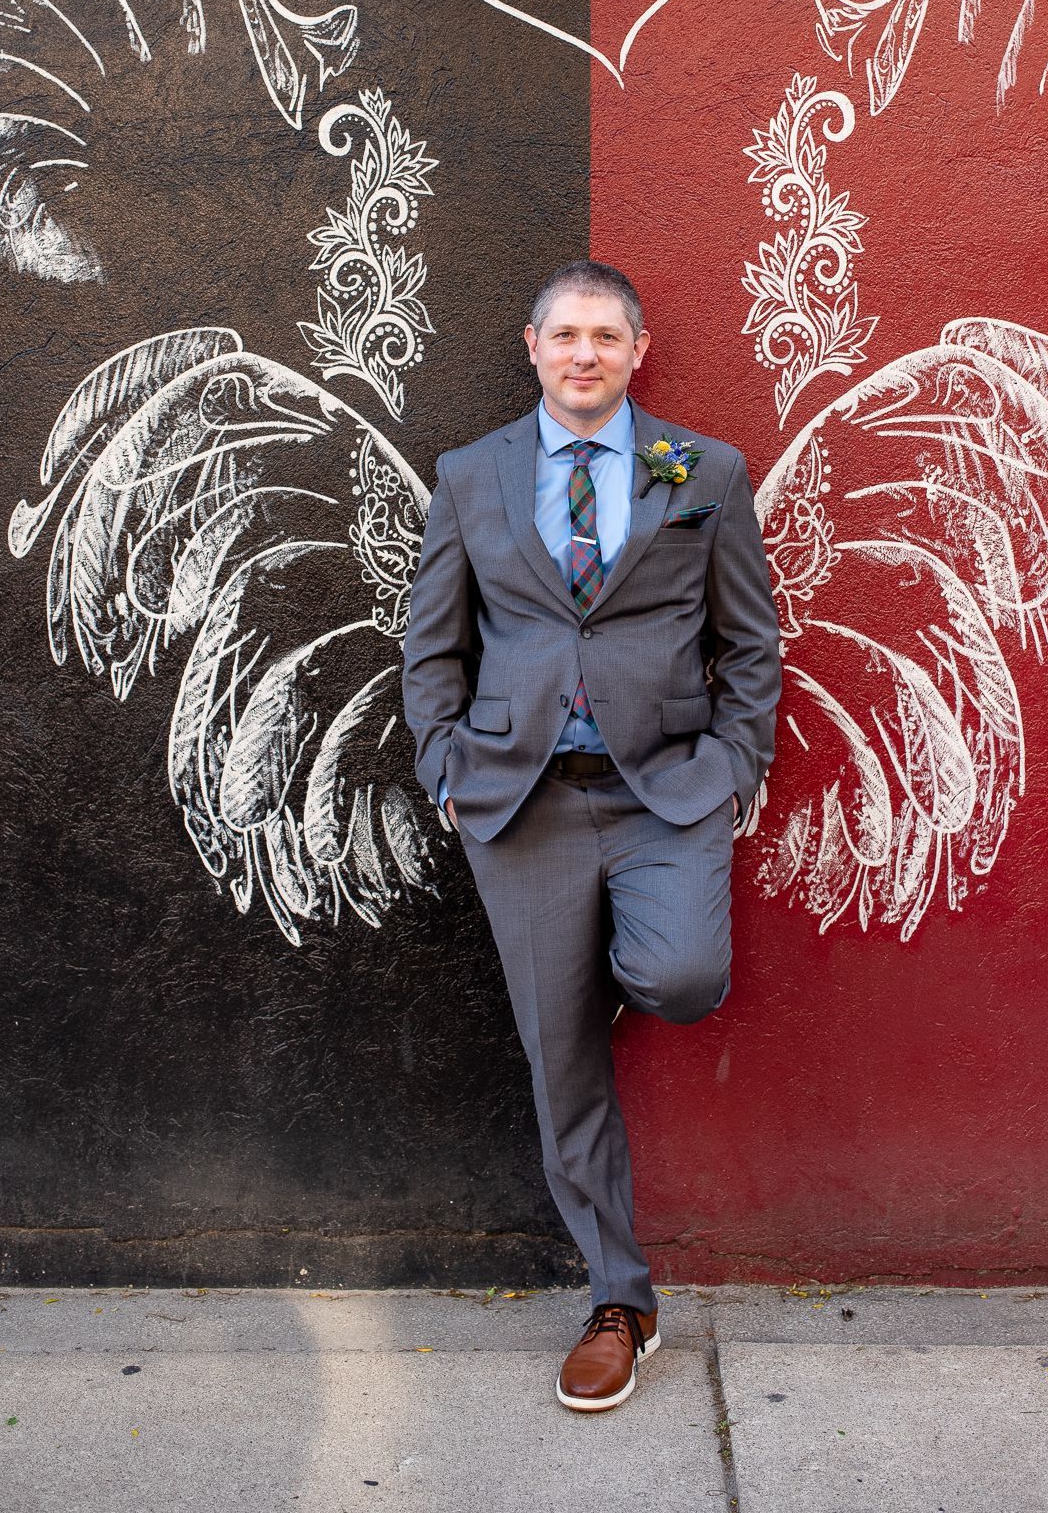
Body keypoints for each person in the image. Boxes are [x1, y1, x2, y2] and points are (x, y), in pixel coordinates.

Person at [402, 258, 782, 1412]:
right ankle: (622, 1299)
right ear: (532, 346)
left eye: (604, 336)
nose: (584, 353)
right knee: (561, 1061)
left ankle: (608, 953)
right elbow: (434, 643)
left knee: (682, 974)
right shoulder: (471, 475)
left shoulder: (702, 469)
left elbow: (750, 642)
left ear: (636, 349)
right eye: (564, 334)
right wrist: (445, 767)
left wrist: (733, 767)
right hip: (519, 801)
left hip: (664, 787)